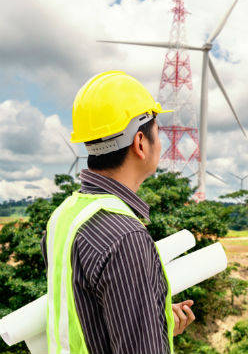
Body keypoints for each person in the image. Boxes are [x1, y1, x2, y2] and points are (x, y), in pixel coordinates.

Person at [41, 71, 195, 353]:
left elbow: (84, 312)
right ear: (140, 143)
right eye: (158, 133)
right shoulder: (125, 237)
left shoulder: (63, 216)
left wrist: (150, 316)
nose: (161, 143)